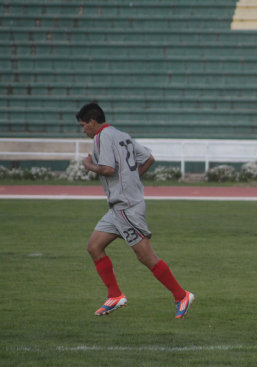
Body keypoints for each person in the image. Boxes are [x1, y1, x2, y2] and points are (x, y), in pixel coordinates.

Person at [77, 102, 194, 319]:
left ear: (93, 122)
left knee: (145, 256)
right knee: (94, 246)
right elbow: (148, 158)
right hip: (118, 207)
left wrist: (89, 166)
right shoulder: (122, 134)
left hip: (126, 208)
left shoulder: (101, 137)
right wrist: (131, 179)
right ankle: (114, 295)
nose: (83, 129)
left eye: (83, 125)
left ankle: (181, 295)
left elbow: (108, 169)